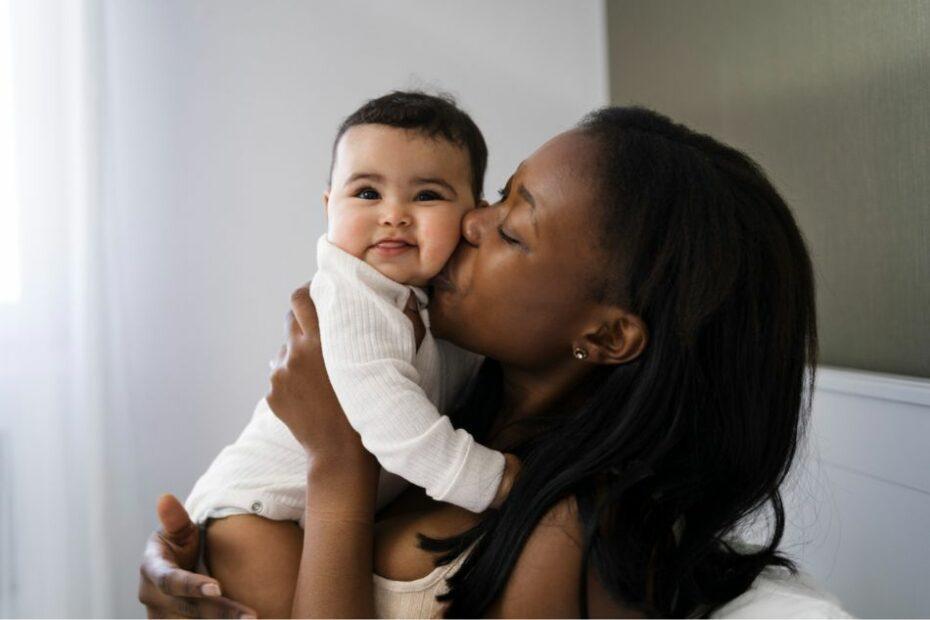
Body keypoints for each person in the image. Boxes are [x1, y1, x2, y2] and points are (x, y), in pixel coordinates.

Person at [139, 106, 850, 618]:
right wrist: (201, 558)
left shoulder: (564, 534)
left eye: (511, 227)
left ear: (605, 337)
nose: (469, 221)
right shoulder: (447, 404)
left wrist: (338, 467)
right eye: (497, 191)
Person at [185, 91, 522, 534]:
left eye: (426, 195)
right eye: (367, 192)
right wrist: (495, 482)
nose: (393, 215)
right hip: (256, 508)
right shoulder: (352, 296)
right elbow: (395, 425)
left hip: (325, 511)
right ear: (329, 208)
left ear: (473, 214)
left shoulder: (438, 301)